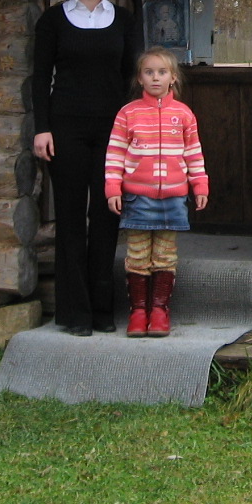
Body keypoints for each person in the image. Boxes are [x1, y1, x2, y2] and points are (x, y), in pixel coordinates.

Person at [31, 0, 137, 335]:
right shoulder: (53, 20)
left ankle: (102, 311)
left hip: (112, 130)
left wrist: (137, 131)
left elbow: (133, 79)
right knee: (72, 219)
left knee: (107, 217)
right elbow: (41, 78)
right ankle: (74, 313)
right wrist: (42, 128)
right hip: (65, 129)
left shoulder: (124, 20)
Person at [104, 48, 208, 337]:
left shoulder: (184, 114)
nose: (155, 77)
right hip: (138, 197)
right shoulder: (128, 114)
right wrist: (113, 187)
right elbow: (114, 154)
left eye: (162, 72)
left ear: (173, 78)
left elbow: (193, 154)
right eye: (149, 72)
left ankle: (160, 311)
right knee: (137, 255)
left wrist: (199, 184)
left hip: (174, 197)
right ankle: (138, 312)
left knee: (164, 255)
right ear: (139, 79)